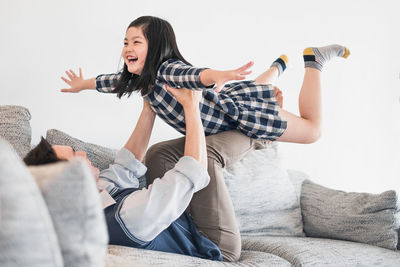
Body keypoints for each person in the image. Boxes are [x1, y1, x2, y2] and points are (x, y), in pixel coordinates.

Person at [61, 15, 349, 144]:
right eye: (125, 42)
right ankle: (276, 68)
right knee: (255, 88)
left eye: (136, 42)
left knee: (313, 132)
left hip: (233, 114)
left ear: (158, 48)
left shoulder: (166, 70)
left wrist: (217, 75)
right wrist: (81, 84)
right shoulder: (142, 80)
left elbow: (195, 75)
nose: (127, 48)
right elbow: (109, 82)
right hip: (226, 104)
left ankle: (314, 62)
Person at [24, 86, 224, 261]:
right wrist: (192, 106)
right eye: (75, 155)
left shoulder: (96, 196)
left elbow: (128, 163)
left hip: (188, 219)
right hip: (210, 241)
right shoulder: (128, 217)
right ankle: (256, 131)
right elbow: (192, 172)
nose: (83, 152)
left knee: (158, 153)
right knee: (212, 150)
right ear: (67, 183)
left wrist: (149, 105)